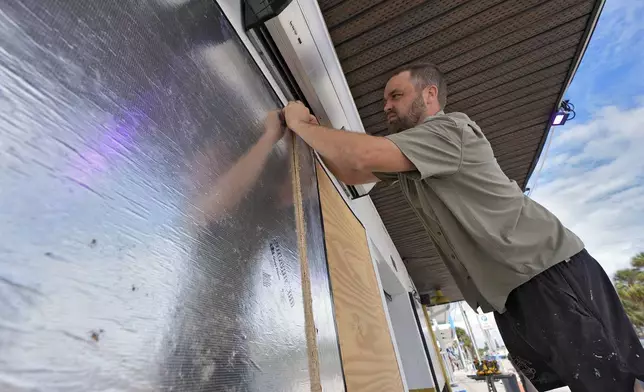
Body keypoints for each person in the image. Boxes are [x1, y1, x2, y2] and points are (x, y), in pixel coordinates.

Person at [281, 63, 644, 391]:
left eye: (396, 95)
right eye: (385, 101)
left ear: (429, 94)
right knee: (590, 381)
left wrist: (298, 123)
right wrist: (313, 131)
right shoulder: (412, 153)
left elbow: (361, 154)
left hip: (544, 271)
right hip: (512, 290)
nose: (387, 106)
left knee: (616, 384)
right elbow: (349, 171)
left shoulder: (449, 129)